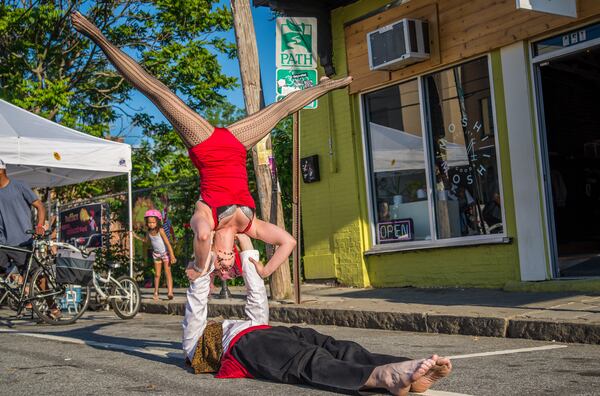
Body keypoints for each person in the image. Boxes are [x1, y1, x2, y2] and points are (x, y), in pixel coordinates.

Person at [71, 11, 352, 282]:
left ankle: (96, 35)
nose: (226, 257)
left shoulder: (207, 219)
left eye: (222, 261)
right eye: (230, 259)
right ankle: (327, 85)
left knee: (158, 92)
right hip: (236, 145)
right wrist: (265, 271)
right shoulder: (250, 226)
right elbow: (288, 242)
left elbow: (203, 236)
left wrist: (199, 264)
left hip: (204, 143)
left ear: (215, 255)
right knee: (280, 110)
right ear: (237, 253)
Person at [183, 234, 452, 396]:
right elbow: (196, 305)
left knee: (335, 346)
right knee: (308, 360)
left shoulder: (242, 326)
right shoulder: (194, 344)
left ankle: (409, 371)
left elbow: (257, 302)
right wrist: (203, 265)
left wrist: (244, 243)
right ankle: (384, 377)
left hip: (264, 332)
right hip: (246, 346)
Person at [0, 158, 46, 275]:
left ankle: (48, 293)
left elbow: (40, 206)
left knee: (36, 275)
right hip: (2, 244)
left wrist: (40, 226)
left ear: (1, 171)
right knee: (4, 279)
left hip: (22, 242)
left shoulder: (19, 186)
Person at [134, 210, 177, 301]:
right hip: (156, 254)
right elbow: (147, 241)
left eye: (153, 222)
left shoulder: (160, 230)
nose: (151, 224)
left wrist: (172, 255)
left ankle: (170, 292)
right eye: (149, 222)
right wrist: (136, 236)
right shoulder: (148, 232)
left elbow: (167, 243)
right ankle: (156, 292)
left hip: (165, 254)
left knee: (167, 273)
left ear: (157, 222)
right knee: (157, 275)